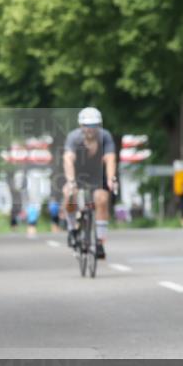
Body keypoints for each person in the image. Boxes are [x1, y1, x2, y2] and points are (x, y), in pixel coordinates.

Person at [63, 107, 117, 259]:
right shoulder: (74, 137)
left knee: (102, 199)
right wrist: (71, 181)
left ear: (99, 126)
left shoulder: (105, 136)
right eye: (87, 126)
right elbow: (68, 159)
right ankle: (72, 227)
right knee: (70, 195)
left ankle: (99, 241)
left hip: (97, 174)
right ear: (81, 126)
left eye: (94, 126)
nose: (90, 130)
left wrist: (111, 179)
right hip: (78, 173)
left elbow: (110, 158)